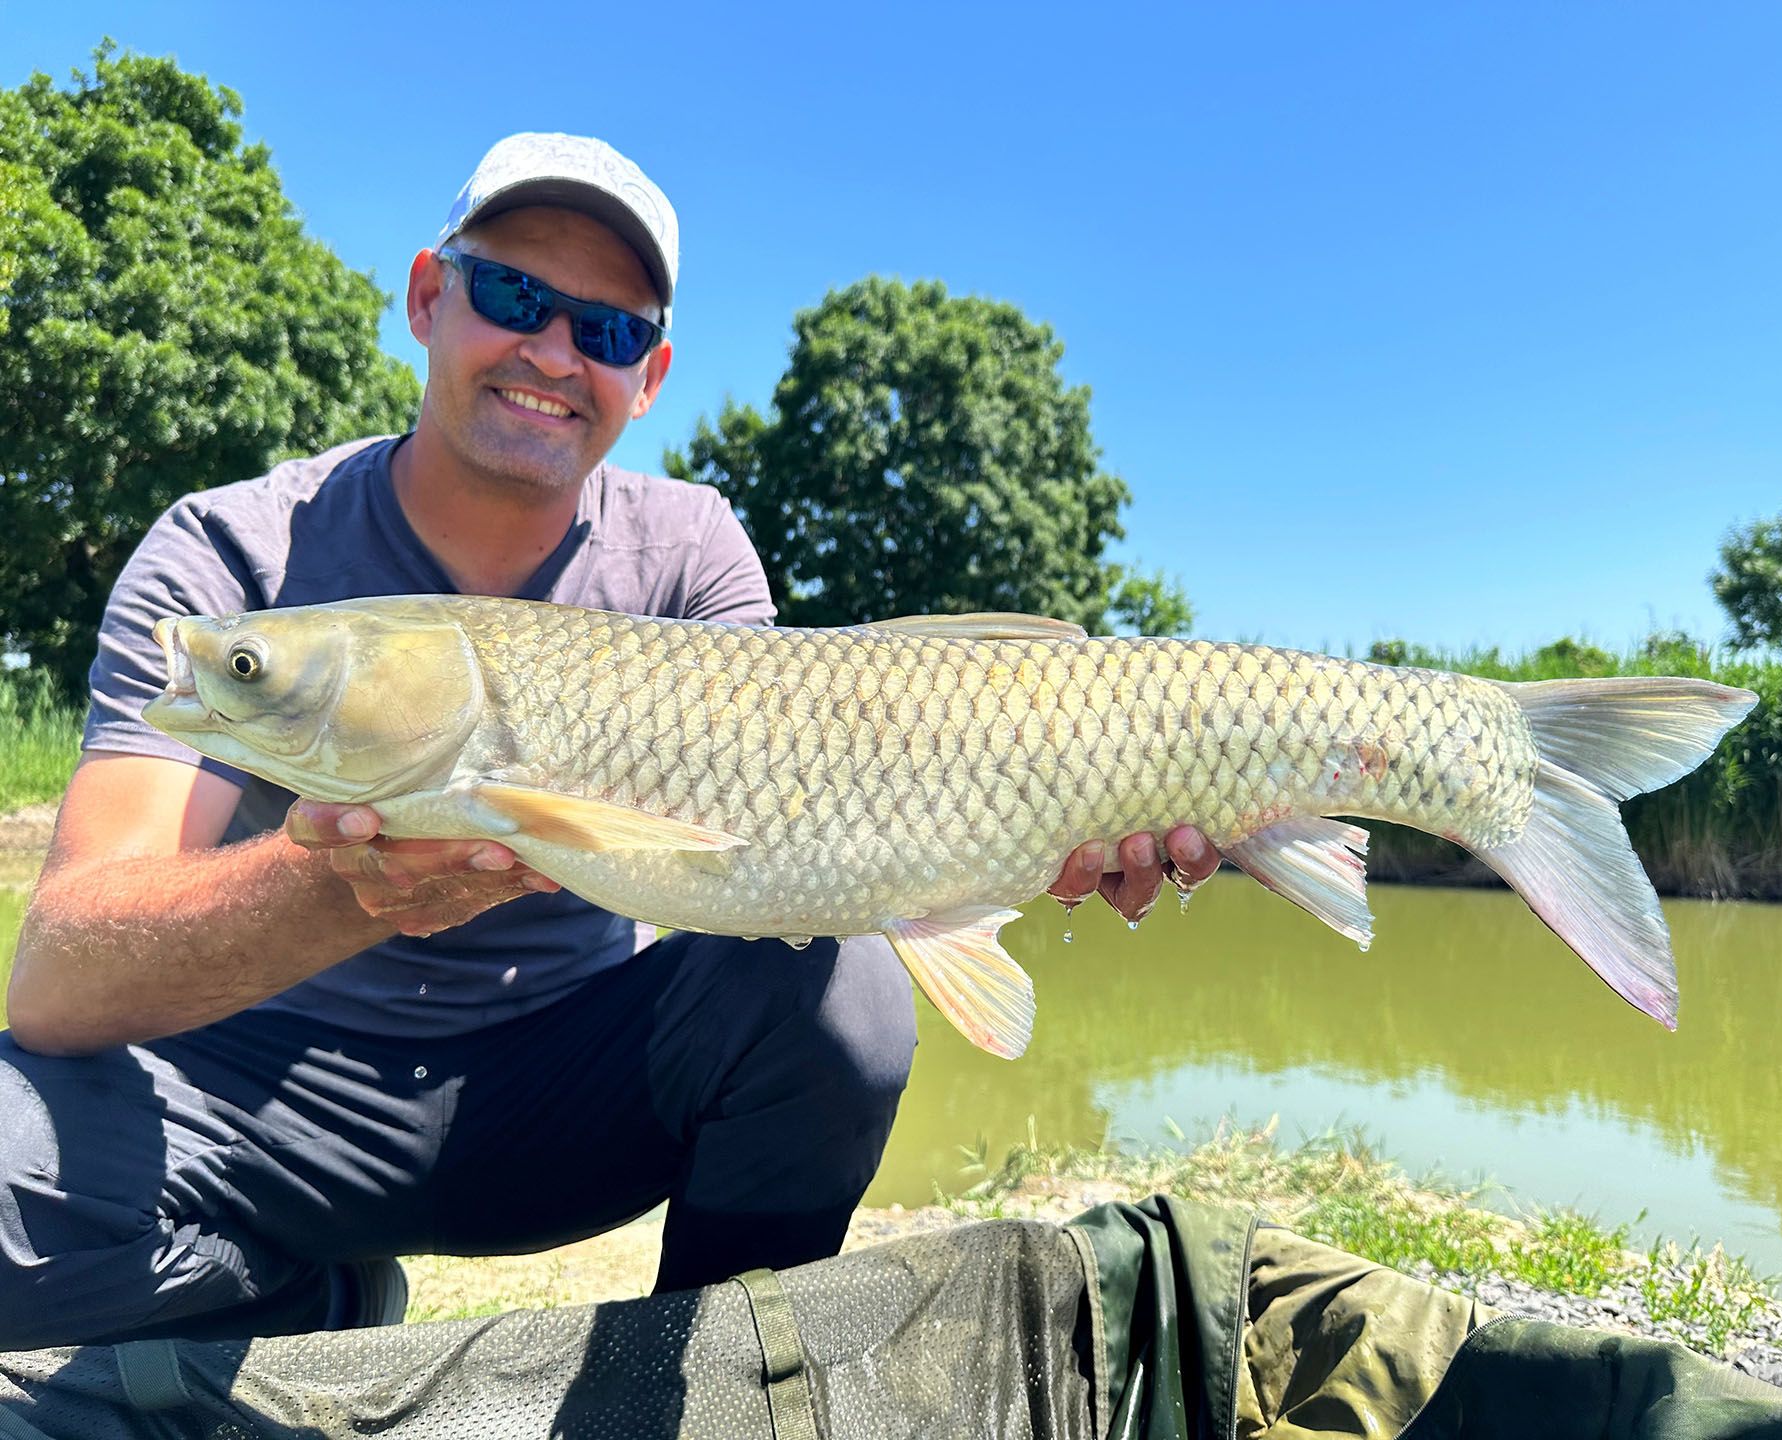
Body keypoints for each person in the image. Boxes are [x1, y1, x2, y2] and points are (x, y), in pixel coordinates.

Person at [2, 132, 1220, 1350]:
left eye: (611, 330)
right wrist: (349, 891)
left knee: (841, 987)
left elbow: (809, 834)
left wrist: (1032, 830)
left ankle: (711, 1395)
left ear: (652, 375)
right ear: (431, 295)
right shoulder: (234, 562)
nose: (554, 353)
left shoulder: (691, 551)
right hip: (254, 1092)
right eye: (515, 295)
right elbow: (59, 981)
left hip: (557, 1095)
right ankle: (301, 1298)